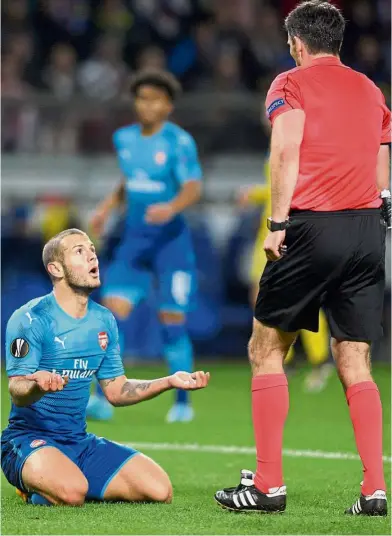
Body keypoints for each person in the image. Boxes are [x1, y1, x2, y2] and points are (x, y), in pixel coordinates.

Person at [215, 1, 390, 516]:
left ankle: (268, 485)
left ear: (296, 42)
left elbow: (286, 149)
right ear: (338, 41)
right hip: (364, 231)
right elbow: (383, 154)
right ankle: (374, 489)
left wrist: (277, 223)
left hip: (310, 226)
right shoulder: (369, 87)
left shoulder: (289, 84)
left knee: (266, 347)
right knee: (355, 359)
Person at [1, 228, 210, 506]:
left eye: (92, 250)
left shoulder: (103, 321)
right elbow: (17, 389)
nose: (92, 257)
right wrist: (37, 384)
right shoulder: (29, 318)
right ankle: (36, 482)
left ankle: (60, 477)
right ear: (56, 269)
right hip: (28, 439)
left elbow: (116, 390)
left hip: (79, 441)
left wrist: (169, 381)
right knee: (73, 493)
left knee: (159, 490)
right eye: (79, 251)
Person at [89, 69, 202, 423]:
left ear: (168, 106)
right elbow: (129, 180)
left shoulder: (180, 142)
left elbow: (193, 187)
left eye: (154, 99)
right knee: (109, 316)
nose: (146, 105)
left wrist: (171, 208)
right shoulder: (124, 139)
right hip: (134, 243)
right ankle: (100, 399)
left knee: (172, 321)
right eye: (141, 98)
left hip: (171, 244)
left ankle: (182, 404)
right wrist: (107, 208)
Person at [238, 161, 332, 393]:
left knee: (304, 302)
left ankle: (319, 360)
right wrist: (255, 194)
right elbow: (274, 186)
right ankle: (283, 361)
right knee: (261, 300)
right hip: (266, 237)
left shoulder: (303, 148)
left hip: (293, 236)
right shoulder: (278, 144)